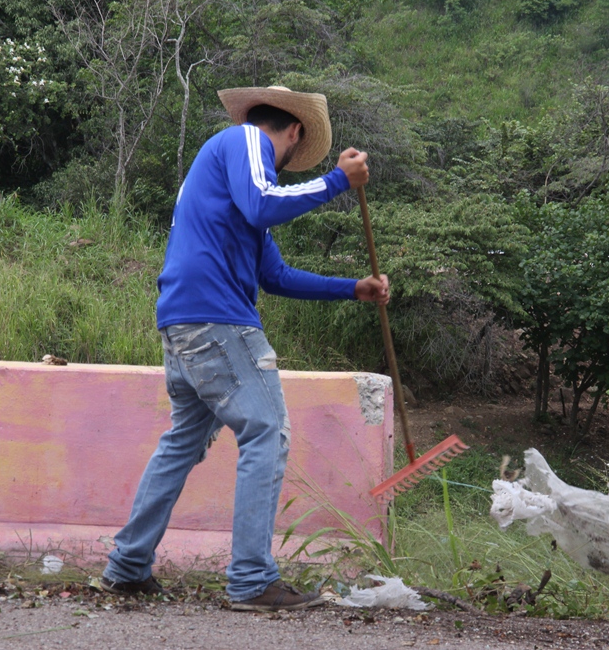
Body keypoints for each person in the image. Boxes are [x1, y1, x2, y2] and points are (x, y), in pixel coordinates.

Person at [98, 86, 390, 612]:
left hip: (183, 321)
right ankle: (253, 579)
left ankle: (126, 568)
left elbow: (272, 274)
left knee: (182, 443)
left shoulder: (232, 174)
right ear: (294, 132)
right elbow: (262, 205)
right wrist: (336, 182)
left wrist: (354, 288)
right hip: (217, 320)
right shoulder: (247, 142)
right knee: (267, 430)